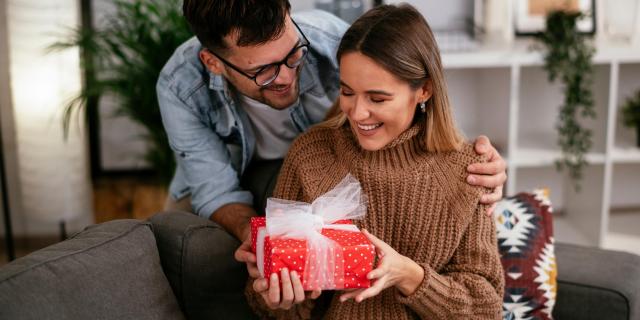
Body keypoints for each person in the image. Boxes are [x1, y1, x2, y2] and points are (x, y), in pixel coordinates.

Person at [157, 0, 506, 290]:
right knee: (201, 259)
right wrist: (269, 240)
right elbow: (215, 192)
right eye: (264, 71)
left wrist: (476, 165)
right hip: (232, 182)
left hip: (326, 177)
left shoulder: (332, 41)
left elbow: (415, 103)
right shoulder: (179, 86)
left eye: (293, 54)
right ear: (214, 62)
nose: (287, 76)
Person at [246, 4, 505, 319]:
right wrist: (279, 300)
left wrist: (410, 276)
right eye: (347, 92)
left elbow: (487, 308)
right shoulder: (311, 155)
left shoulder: (470, 171)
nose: (357, 113)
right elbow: (264, 299)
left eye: (377, 98)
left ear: (424, 90)